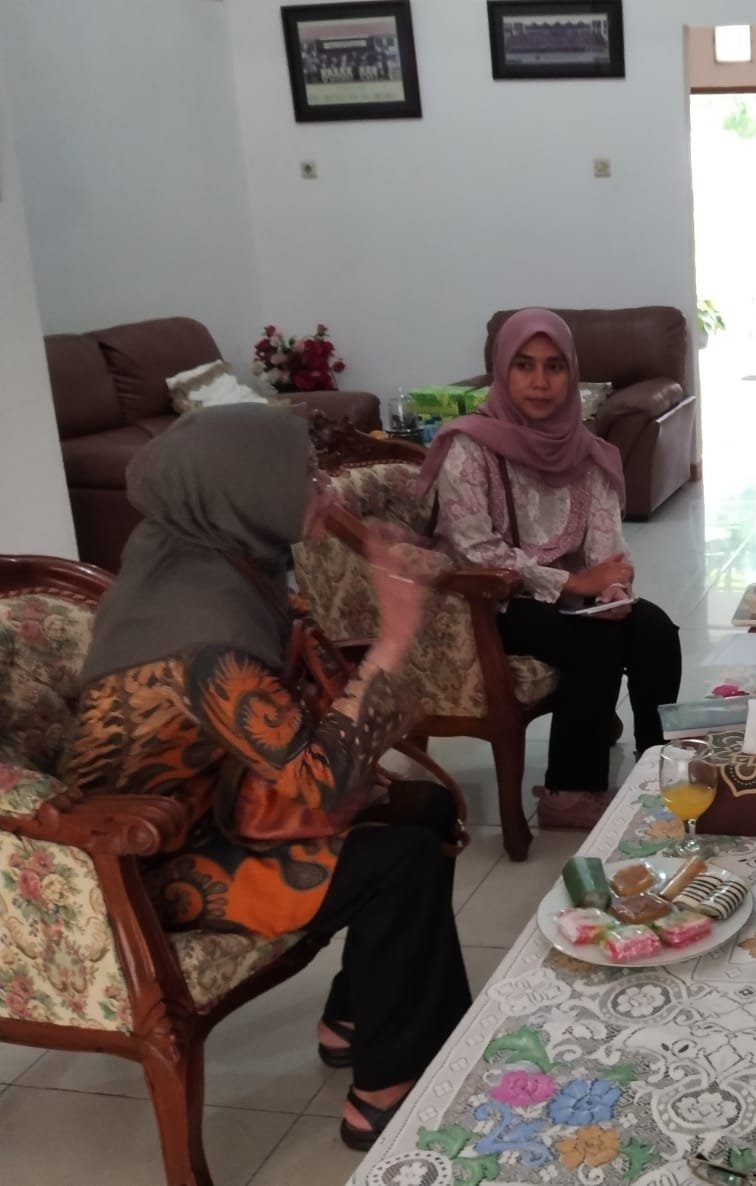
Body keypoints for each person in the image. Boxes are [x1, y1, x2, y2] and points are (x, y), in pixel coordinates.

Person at [66, 404, 470, 1153]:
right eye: (302, 474)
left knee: (425, 808)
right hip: (143, 861)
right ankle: (383, 1091)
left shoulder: (212, 554)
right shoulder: (203, 626)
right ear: (242, 486)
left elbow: (293, 722)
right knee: (401, 861)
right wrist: (394, 637)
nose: (323, 486)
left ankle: (354, 1018)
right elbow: (319, 785)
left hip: (218, 804)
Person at [424, 307, 682, 833]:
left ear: (572, 373)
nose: (539, 382)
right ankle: (570, 790)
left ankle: (657, 764)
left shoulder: (586, 450)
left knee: (653, 629)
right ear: (503, 370)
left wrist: (611, 588)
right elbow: (474, 549)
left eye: (554, 366)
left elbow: (606, 548)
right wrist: (573, 583)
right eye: (524, 365)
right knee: (593, 642)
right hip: (487, 600)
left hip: (566, 599)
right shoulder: (468, 446)